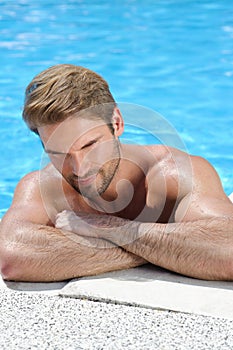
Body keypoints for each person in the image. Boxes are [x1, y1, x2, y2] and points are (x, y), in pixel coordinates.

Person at [0, 64, 233, 282]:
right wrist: (165, 251)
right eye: (59, 153)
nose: (79, 169)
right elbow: (11, 259)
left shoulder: (173, 172)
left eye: (90, 145)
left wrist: (109, 228)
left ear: (117, 123)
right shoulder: (41, 187)